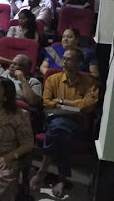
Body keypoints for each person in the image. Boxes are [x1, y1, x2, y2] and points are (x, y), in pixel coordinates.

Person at [30, 48, 98, 197]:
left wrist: (61, 101)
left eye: (69, 59)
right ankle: (62, 178)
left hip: (78, 121)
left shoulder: (89, 82)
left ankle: (42, 171)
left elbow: (89, 105)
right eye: (63, 58)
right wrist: (75, 105)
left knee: (58, 130)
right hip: (53, 117)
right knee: (60, 129)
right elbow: (47, 102)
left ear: (79, 63)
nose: (64, 61)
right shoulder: (53, 79)